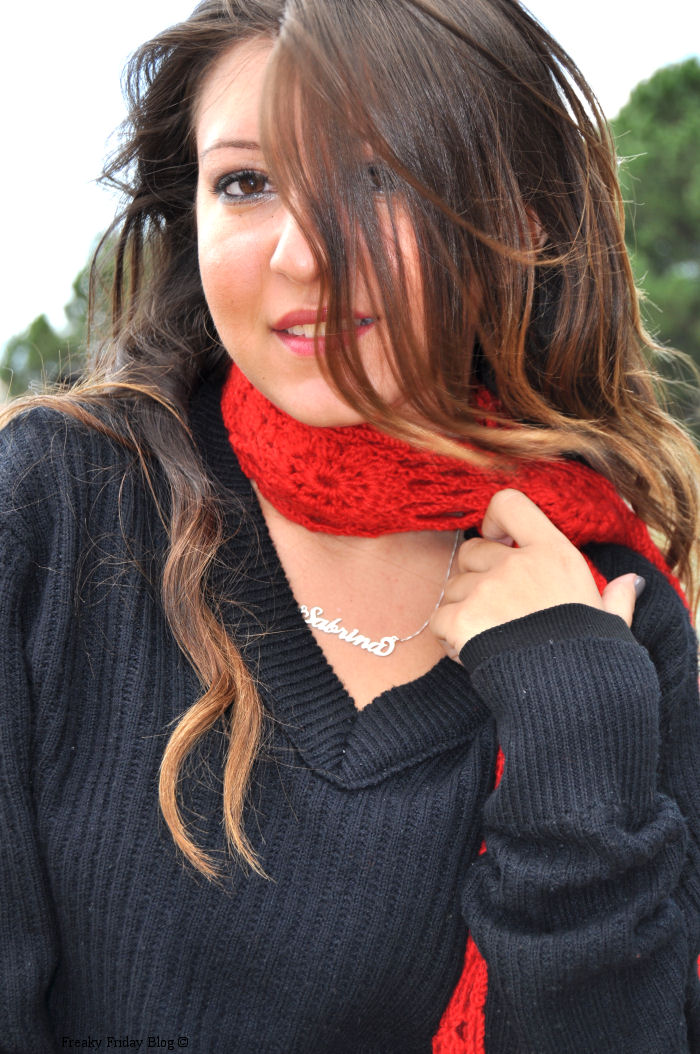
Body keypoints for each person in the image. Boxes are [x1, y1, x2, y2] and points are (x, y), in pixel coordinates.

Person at [1, 0, 699, 1050]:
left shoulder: (614, 615)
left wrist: (573, 715)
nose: (302, 254)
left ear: (520, 222)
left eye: (377, 178)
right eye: (246, 182)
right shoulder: (52, 510)